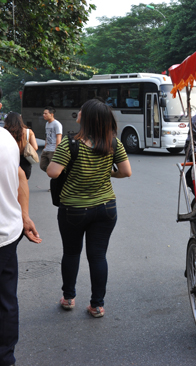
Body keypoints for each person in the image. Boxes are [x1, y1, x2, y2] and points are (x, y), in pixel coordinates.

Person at [46, 99, 132, 318]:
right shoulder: (113, 143)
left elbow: (53, 172)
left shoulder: (70, 143)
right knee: (98, 256)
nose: (78, 112)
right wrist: (107, 173)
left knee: (72, 253)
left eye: (81, 110)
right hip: (105, 209)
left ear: (86, 117)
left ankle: (68, 297)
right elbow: (126, 172)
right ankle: (97, 305)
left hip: (73, 210)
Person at [0, 116, 41, 366]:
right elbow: (20, 177)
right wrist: (24, 217)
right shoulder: (6, 138)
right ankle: (6, 358)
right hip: (7, 232)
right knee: (6, 300)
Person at [3, 112, 38, 180]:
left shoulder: (5, 132)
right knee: (24, 181)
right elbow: (35, 147)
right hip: (24, 160)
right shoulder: (29, 132)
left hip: (9, 159)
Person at [40, 106, 62, 173]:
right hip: (47, 149)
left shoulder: (57, 124)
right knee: (42, 165)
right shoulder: (47, 123)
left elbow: (59, 137)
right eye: (43, 113)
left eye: (46, 113)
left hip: (53, 150)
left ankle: (56, 178)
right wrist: (45, 147)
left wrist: (57, 149)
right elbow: (47, 136)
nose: (44, 115)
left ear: (51, 114)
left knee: (53, 168)